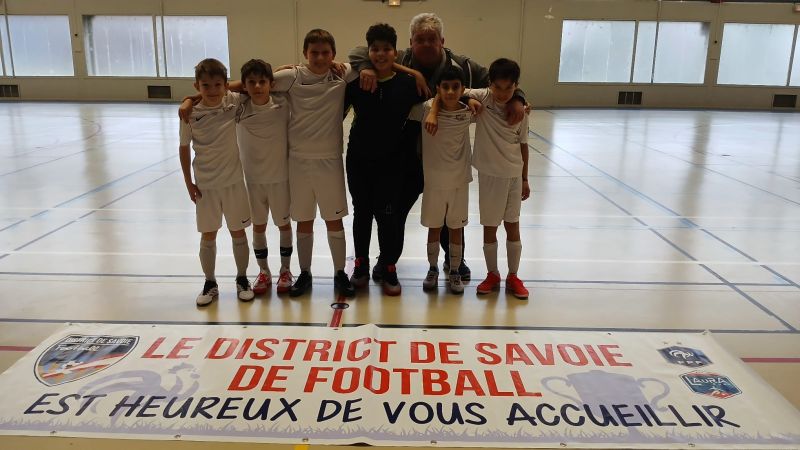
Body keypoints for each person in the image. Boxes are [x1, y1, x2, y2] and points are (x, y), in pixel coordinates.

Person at [349, 12, 528, 281]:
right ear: (410, 43)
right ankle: (388, 259)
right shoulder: (400, 60)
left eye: (432, 39)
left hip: (448, 158)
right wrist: (366, 66)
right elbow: (359, 52)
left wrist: (518, 98)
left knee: (451, 217)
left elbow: (500, 78)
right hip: (407, 155)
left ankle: (454, 260)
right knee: (395, 211)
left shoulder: (464, 67)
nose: (426, 44)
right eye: (419, 39)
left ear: (442, 41)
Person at [428, 58, 531, 299]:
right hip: (490, 175)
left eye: (509, 89)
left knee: (513, 225)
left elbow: (524, 145)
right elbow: (454, 92)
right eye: (497, 87)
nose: (503, 94)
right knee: (490, 227)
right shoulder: (483, 97)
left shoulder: (521, 110)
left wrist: (525, 178)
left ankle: (513, 276)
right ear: (489, 84)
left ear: (516, 86)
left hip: (514, 176)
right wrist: (468, 100)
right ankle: (492, 274)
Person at [344, 23, 426, 296]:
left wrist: (414, 73)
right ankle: (361, 265)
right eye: (375, 49)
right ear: (368, 51)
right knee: (361, 212)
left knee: (387, 216)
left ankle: (389, 266)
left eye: (386, 49)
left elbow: (442, 97)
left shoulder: (409, 84)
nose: (380, 54)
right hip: (359, 159)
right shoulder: (356, 82)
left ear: (396, 52)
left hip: (392, 162)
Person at [178, 58, 254, 306]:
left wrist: (189, 97)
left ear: (225, 85)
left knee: (238, 232)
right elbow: (183, 148)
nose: (212, 91)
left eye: (218, 85)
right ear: (197, 86)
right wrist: (188, 182)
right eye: (205, 86)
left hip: (234, 182)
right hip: (205, 186)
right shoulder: (189, 113)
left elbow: (253, 80)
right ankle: (210, 282)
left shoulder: (233, 101)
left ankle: (242, 278)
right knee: (208, 235)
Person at [235, 59, 294, 294]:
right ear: (244, 85)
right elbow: (216, 89)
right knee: (258, 227)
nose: (257, 86)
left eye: (263, 81)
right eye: (251, 82)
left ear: (271, 83)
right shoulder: (239, 107)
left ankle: (286, 270)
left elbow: (294, 77)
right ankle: (264, 271)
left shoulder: (283, 102)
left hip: (280, 179)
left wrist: (279, 71)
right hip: (253, 181)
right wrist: (190, 100)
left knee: (283, 225)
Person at [417, 66, 474, 294]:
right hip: (434, 183)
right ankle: (432, 268)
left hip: (459, 182)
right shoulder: (426, 109)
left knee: (456, 229)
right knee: (434, 227)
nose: (450, 92)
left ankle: (455, 270)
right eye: (445, 87)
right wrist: (434, 109)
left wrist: (523, 104)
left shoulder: (469, 111)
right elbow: (432, 101)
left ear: (463, 89)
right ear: (438, 89)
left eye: (455, 87)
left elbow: (491, 96)